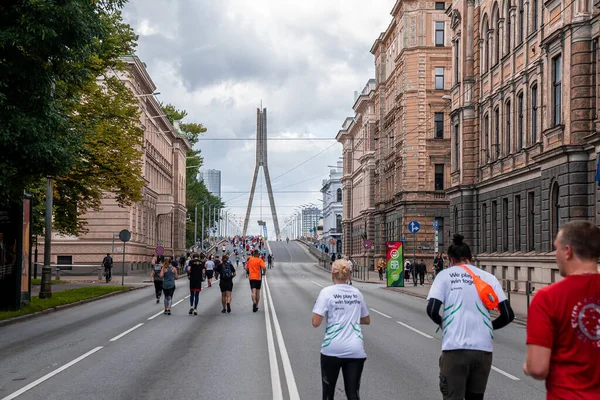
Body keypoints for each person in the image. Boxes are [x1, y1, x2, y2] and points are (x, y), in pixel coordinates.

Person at [426, 234, 514, 400]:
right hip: (483, 351)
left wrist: (442, 323)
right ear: (470, 257)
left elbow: (432, 309)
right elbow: (508, 315)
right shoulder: (489, 278)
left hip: (455, 349)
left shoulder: (445, 276)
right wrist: (488, 326)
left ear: (450, 260)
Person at [524, 221, 600, 399]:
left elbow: (537, 367)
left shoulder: (548, 298)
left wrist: (528, 365)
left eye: (556, 248)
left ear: (568, 251)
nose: (555, 254)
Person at [312, 259, 370, 400]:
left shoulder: (326, 293)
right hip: (355, 350)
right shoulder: (357, 293)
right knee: (353, 394)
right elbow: (366, 320)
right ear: (349, 275)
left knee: (328, 394)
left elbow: (315, 322)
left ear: (332, 274)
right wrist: (351, 317)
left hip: (332, 348)